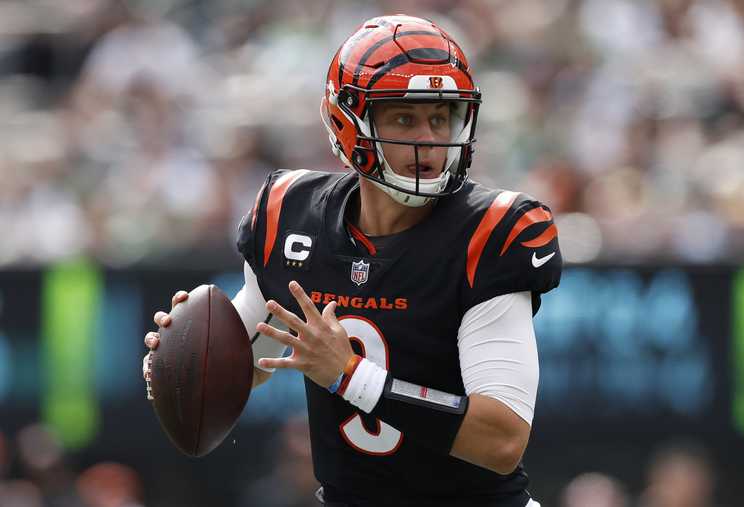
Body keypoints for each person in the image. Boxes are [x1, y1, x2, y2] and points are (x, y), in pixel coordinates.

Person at [142, 14, 561, 507]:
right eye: (405, 118)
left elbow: (502, 440)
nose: (428, 139)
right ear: (349, 121)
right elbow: (252, 362)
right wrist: (186, 356)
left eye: (441, 116)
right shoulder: (290, 214)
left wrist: (349, 374)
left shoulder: (491, 230)